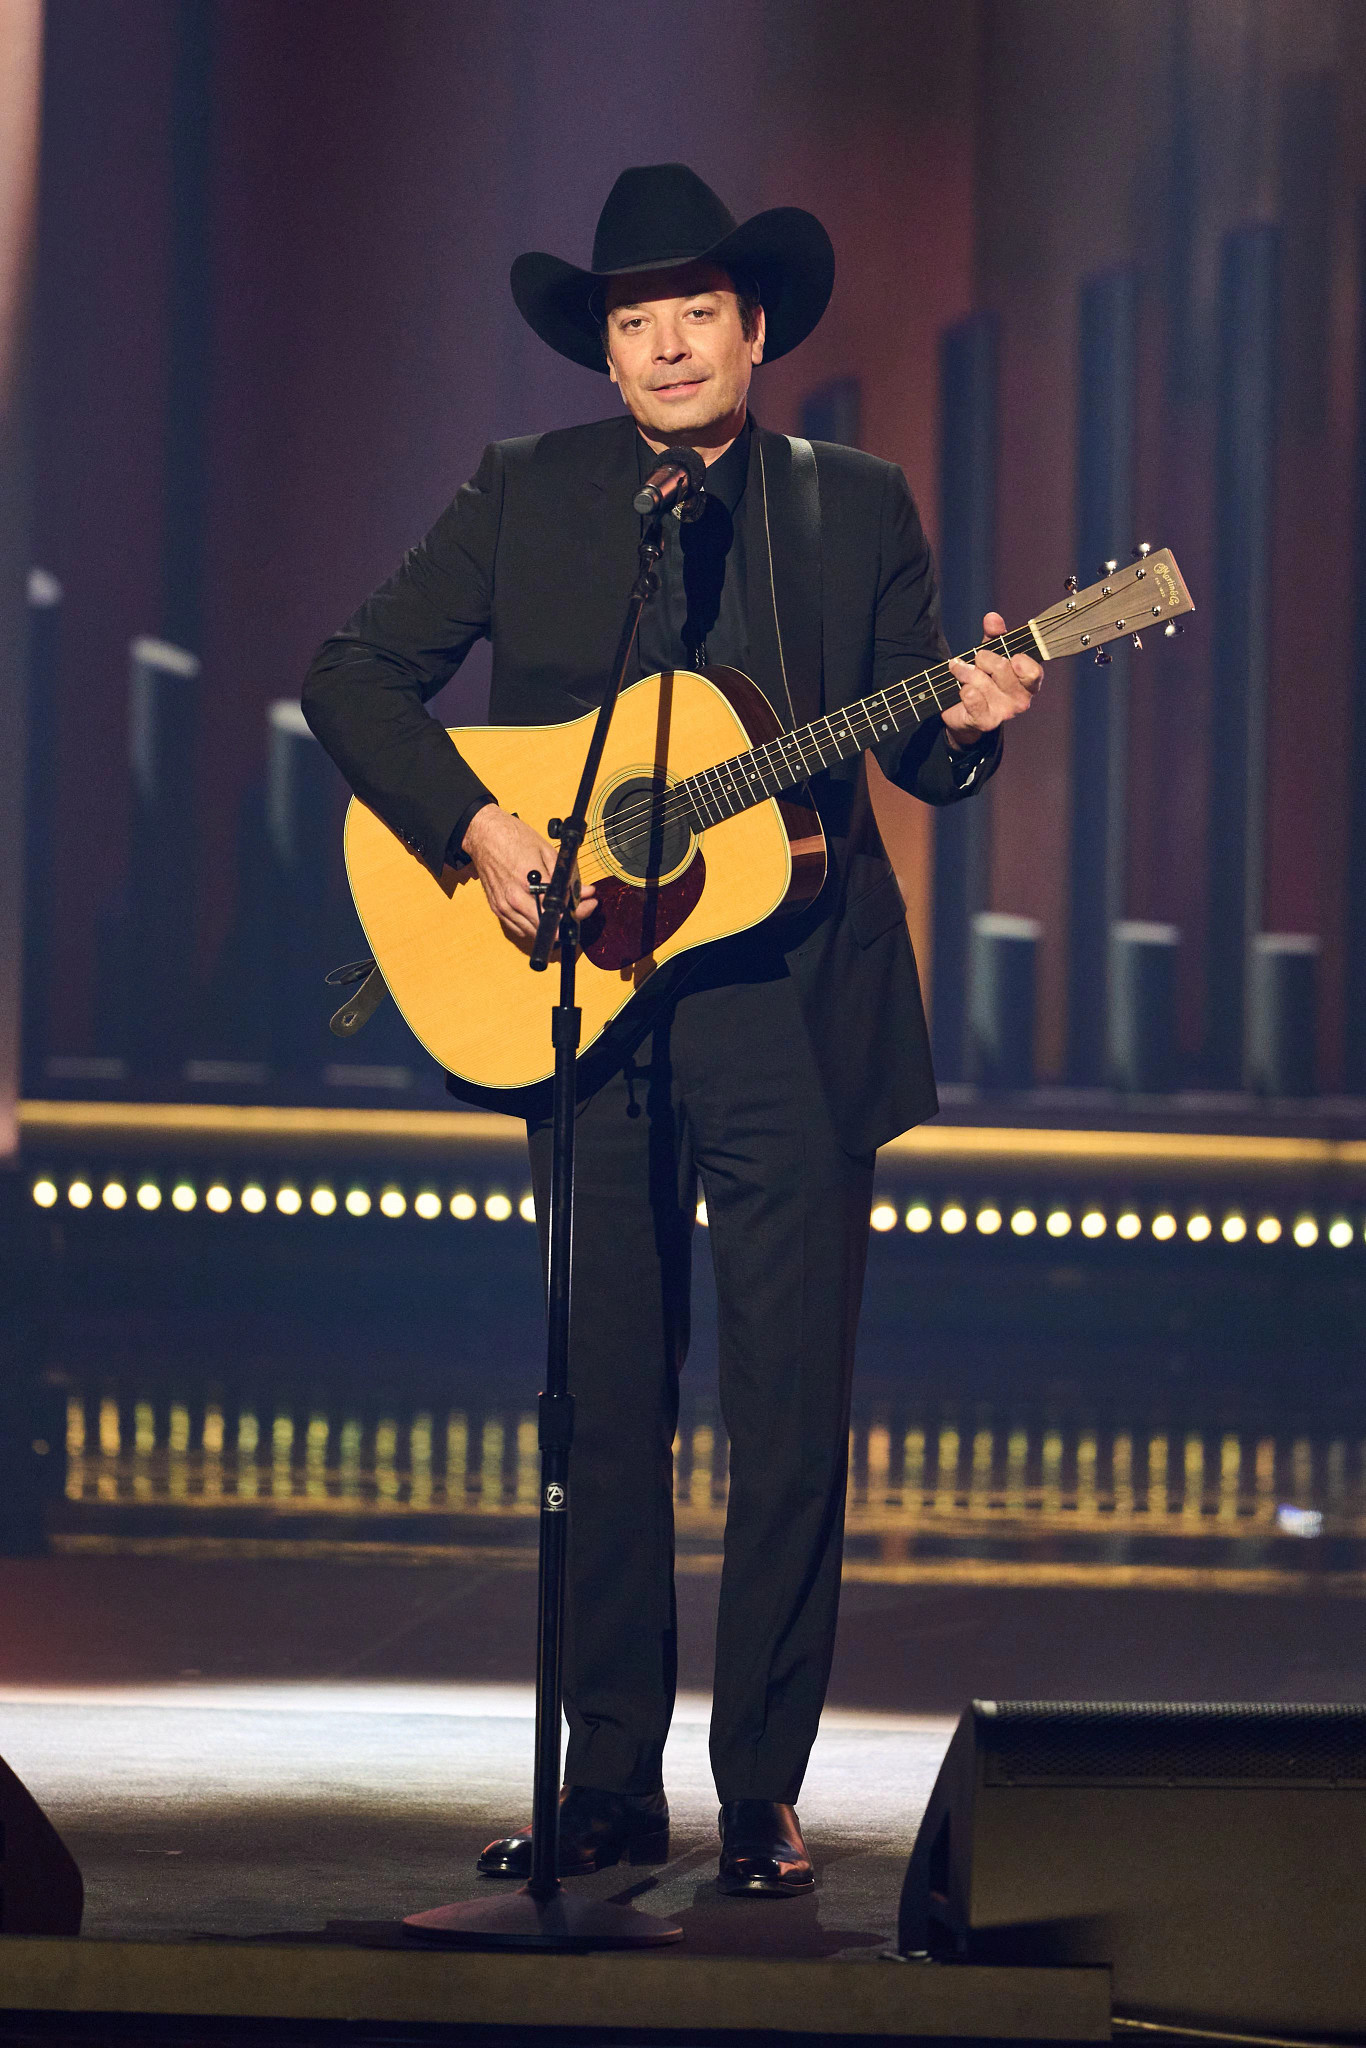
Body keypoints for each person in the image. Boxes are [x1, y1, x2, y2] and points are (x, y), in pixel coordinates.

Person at [302, 162, 1040, 1897]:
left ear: (752, 329)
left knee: (790, 1416)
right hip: (588, 1011)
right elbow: (353, 671)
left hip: (790, 1011)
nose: (664, 346)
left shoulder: (849, 503)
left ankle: (762, 1791)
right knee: (603, 1408)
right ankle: (605, 1788)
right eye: (633, 323)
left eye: (693, 313)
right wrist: (479, 831)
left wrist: (979, 718)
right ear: (604, 354)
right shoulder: (529, 493)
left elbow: (915, 744)